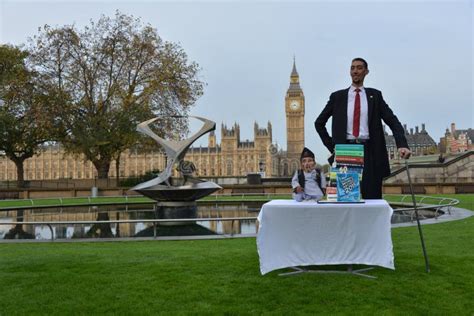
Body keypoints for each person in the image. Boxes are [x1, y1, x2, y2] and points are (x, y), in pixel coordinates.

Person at [315, 58, 411, 199]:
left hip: (370, 151)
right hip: (345, 151)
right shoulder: (338, 97)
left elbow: (392, 121)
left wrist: (402, 145)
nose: (355, 71)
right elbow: (319, 123)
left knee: (372, 199)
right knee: (346, 199)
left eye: (359, 68)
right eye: (352, 68)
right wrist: (333, 146)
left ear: (366, 72)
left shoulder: (375, 96)